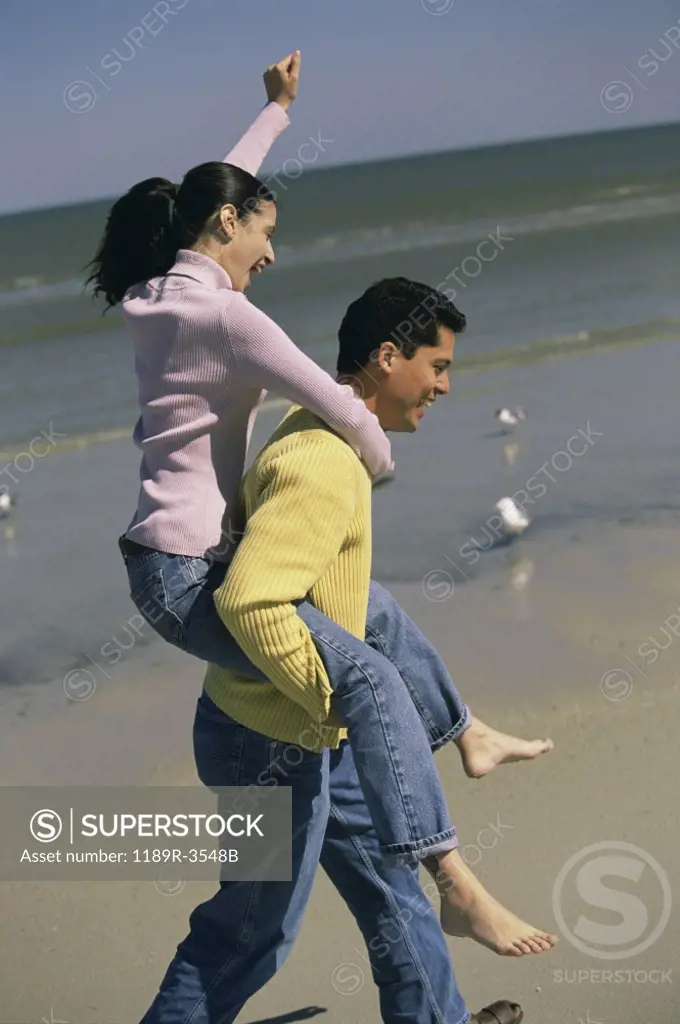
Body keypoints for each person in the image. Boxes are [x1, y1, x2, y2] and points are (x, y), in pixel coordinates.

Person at [87, 50, 553, 933]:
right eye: (263, 231)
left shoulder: (160, 292)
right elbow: (332, 397)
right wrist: (376, 459)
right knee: (369, 685)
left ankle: (466, 734)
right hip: (189, 575)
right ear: (228, 224)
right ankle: (451, 878)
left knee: (369, 609)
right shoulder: (224, 315)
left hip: (167, 564)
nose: (271, 250)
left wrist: (275, 113)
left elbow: (216, 198)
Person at [138, 277, 537, 1024]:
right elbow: (251, 599)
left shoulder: (328, 436)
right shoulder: (323, 460)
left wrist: (352, 709)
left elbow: (337, 605)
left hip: (304, 728)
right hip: (263, 736)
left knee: (391, 888)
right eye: (439, 366)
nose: (446, 386)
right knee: (254, 934)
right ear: (389, 358)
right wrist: (344, 697)